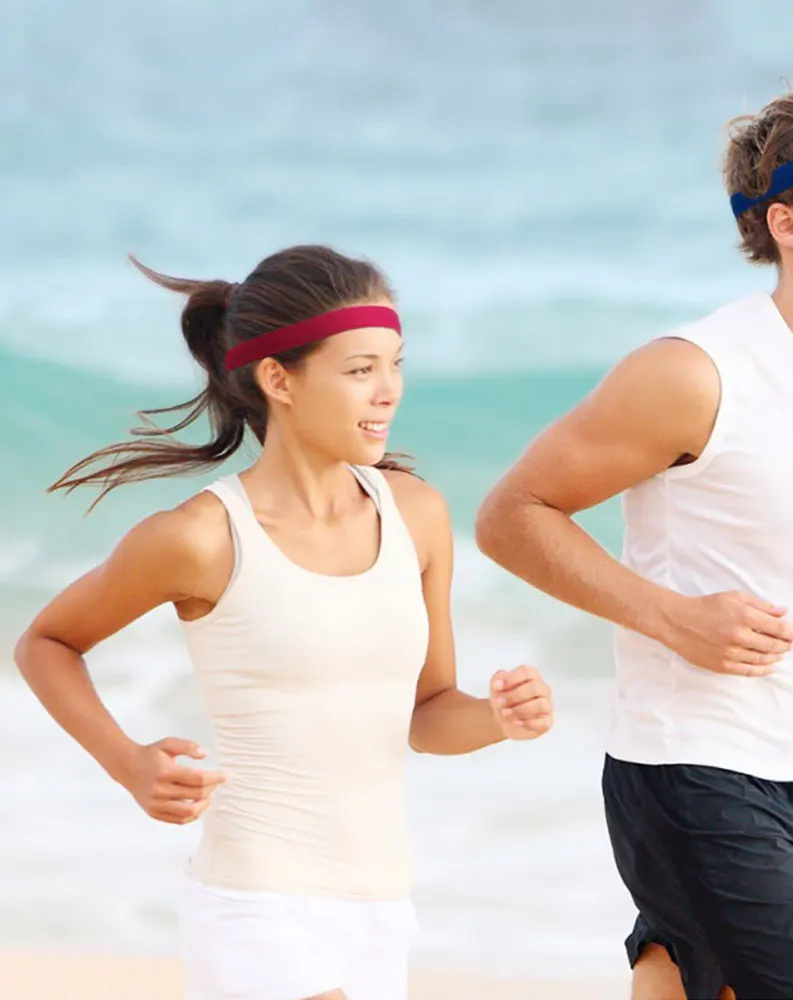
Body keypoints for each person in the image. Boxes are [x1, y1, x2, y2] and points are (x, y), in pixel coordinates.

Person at [474, 75, 793, 1000]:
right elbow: (512, 516)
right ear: (791, 225)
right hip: (698, 769)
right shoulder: (696, 373)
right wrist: (673, 619)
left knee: (680, 984)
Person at [14, 244, 555, 1000]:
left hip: (379, 908)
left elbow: (427, 714)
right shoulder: (201, 538)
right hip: (257, 904)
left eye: (395, 364)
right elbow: (47, 642)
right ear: (279, 379)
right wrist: (128, 763)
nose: (388, 392)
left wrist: (499, 718)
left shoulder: (416, 515)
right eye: (360, 369)